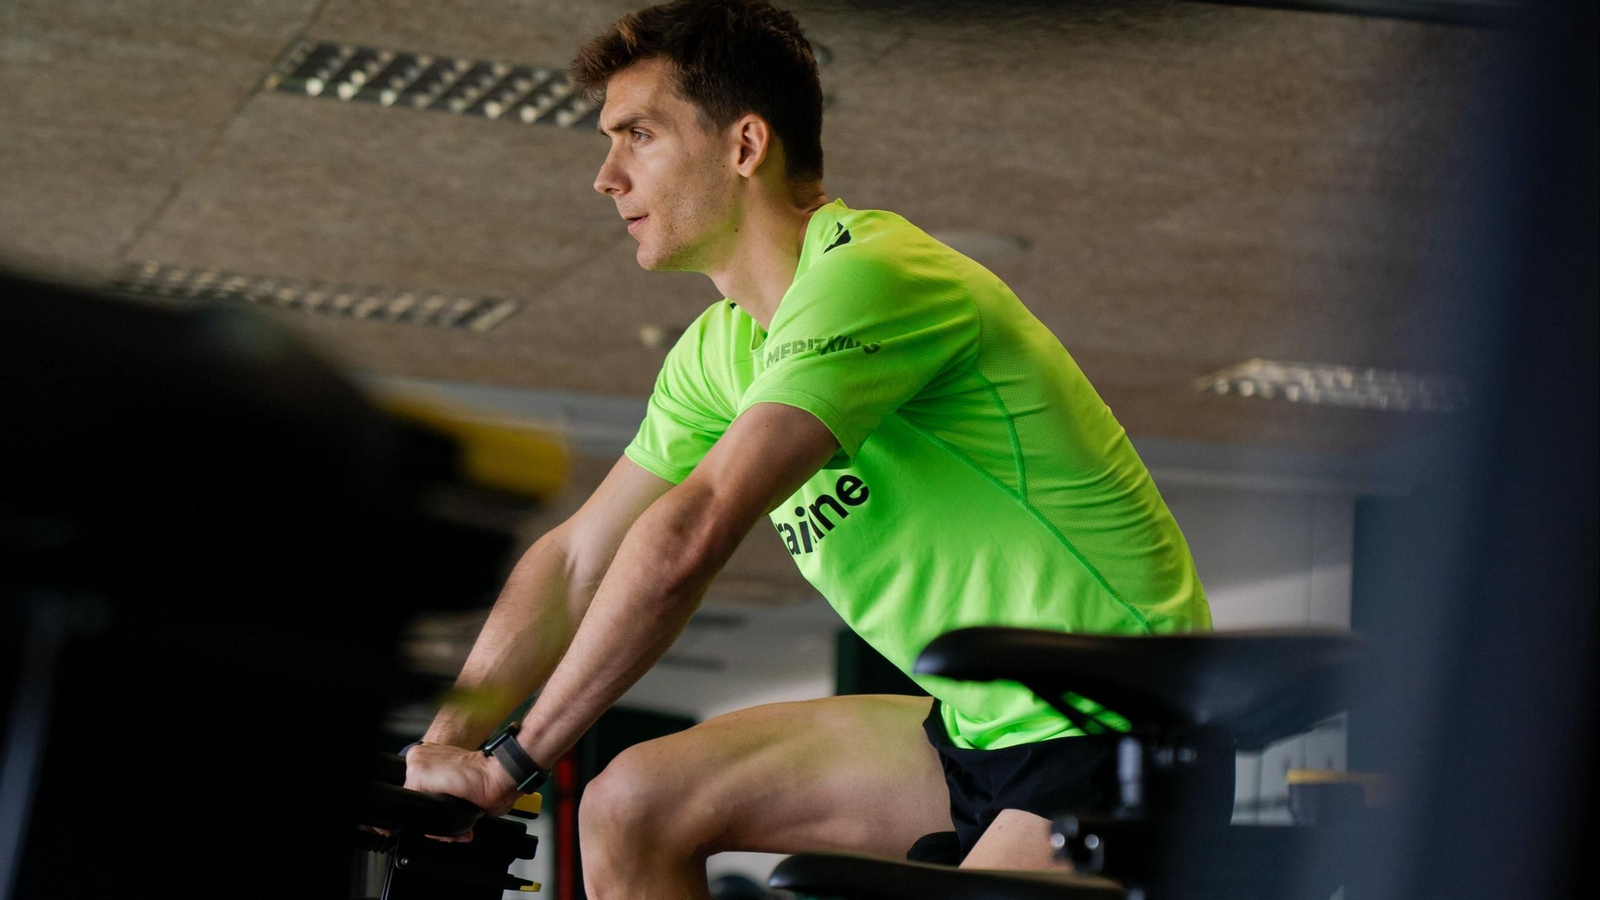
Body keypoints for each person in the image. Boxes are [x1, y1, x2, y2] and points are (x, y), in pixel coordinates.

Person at [401, 1, 1213, 897]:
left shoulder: (874, 275)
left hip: (1117, 720)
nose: (606, 176)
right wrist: (445, 744)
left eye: (638, 135)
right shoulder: (719, 352)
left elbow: (691, 534)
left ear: (745, 145)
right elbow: (573, 560)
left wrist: (511, 762)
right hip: (977, 729)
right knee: (630, 802)